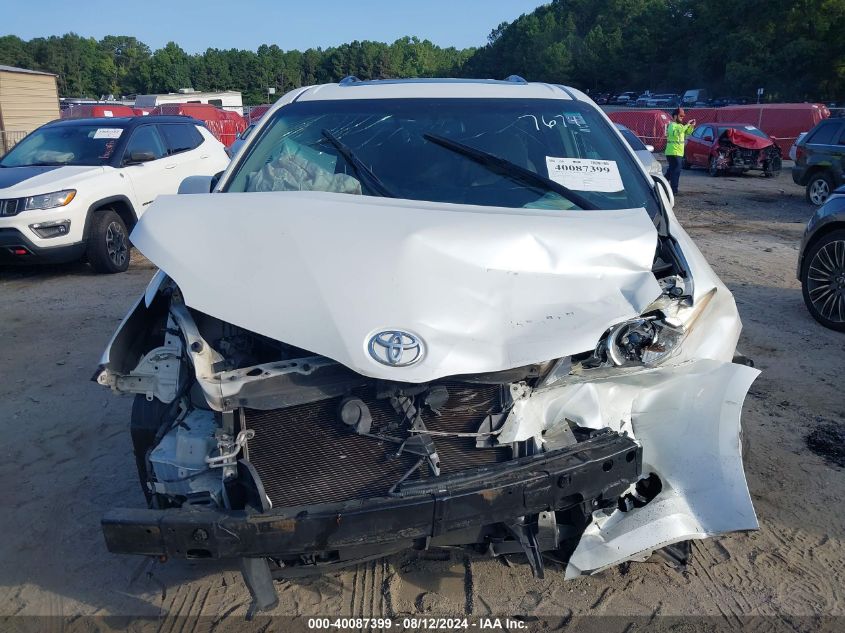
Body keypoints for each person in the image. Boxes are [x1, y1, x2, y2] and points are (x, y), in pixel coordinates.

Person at [664, 108, 695, 194]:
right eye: (680, 116)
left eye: (683, 116)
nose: (682, 118)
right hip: (673, 152)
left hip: (678, 152)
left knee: (671, 171)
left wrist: (691, 126)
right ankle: (674, 190)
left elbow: (687, 133)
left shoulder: (680, 126)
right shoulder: (672, 125)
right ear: (675, 116)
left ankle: (661, 185)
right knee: (676, 171)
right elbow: (676, 133)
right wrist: (686, 125)